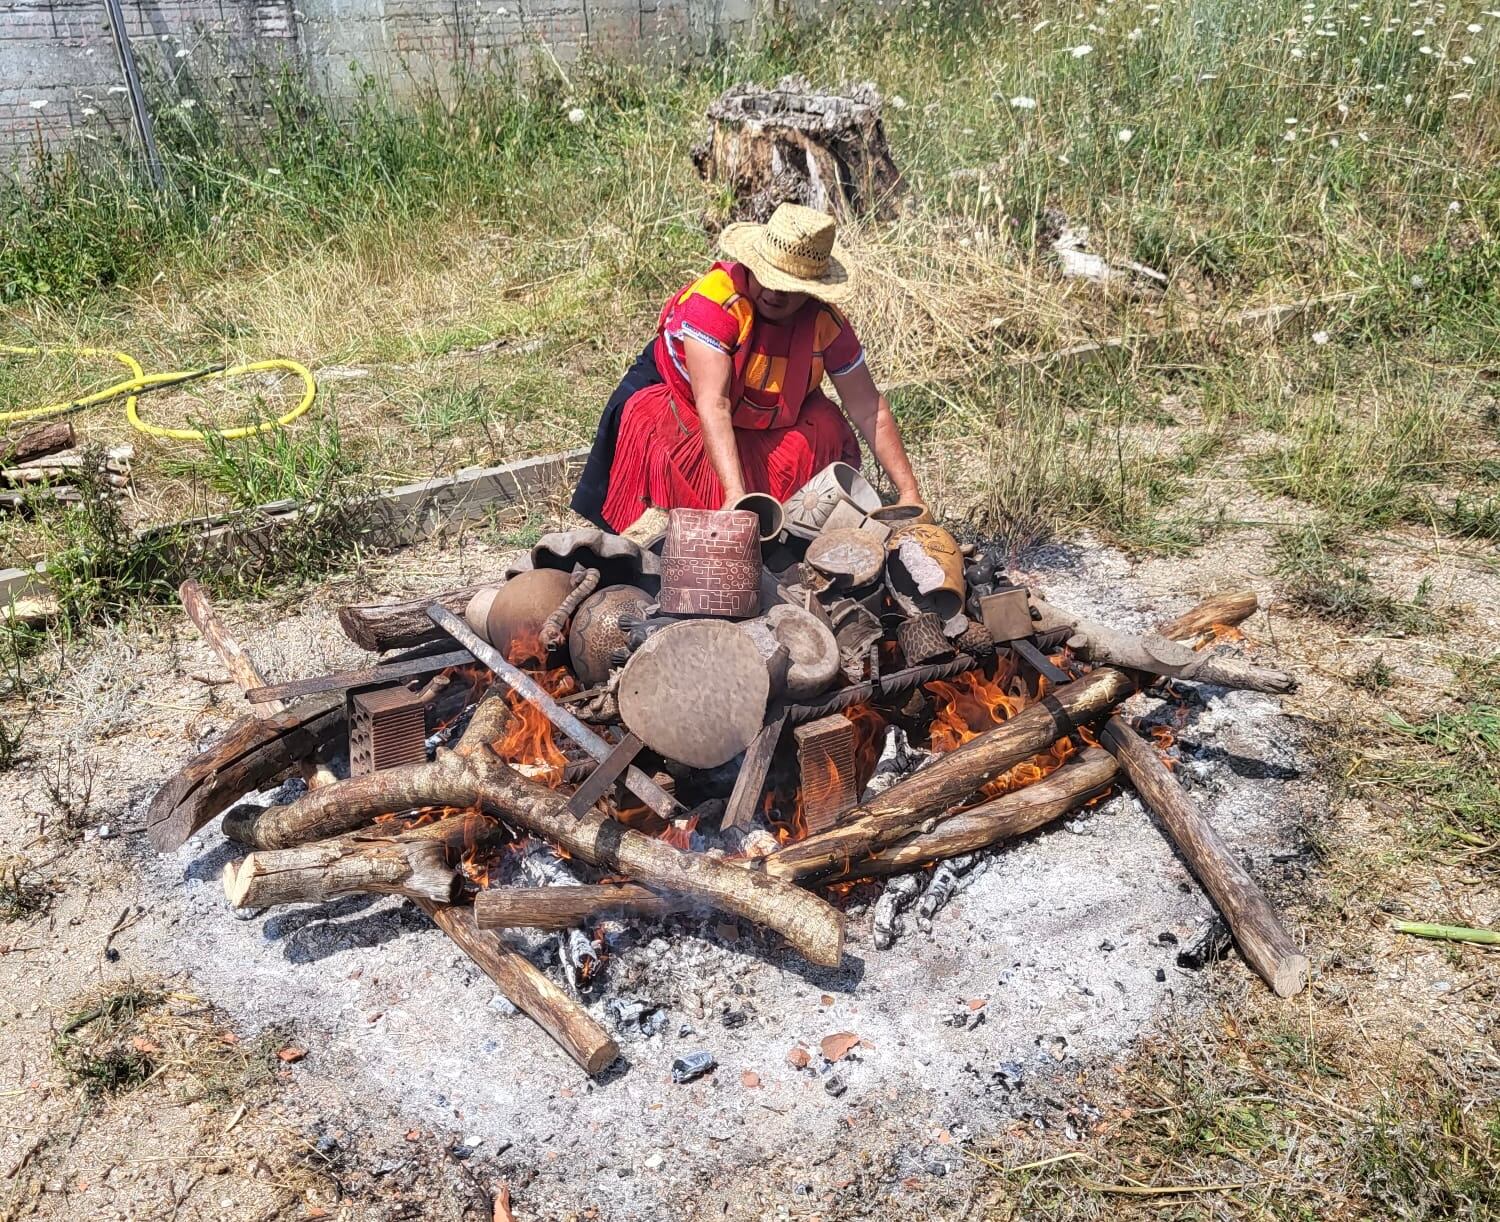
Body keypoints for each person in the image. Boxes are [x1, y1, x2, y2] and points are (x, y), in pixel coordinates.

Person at [571, 203, 923, 532]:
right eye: (766, 278)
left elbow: (869, 409)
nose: (773, 293)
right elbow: (715, 404)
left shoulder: (824, 322)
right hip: (689, 408)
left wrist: (909, 494)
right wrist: (736, 496)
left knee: (826, 427)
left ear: (811, 291)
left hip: (765, 416)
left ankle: (789, 523)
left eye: (787, 287)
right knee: (653, 426)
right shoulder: (716, 304)